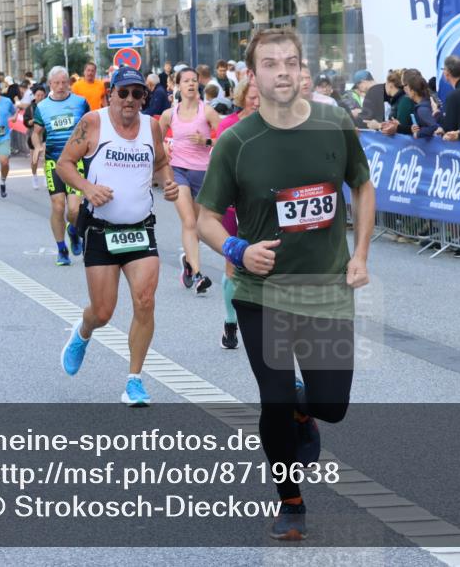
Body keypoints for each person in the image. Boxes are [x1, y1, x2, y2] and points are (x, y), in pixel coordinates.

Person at [195, 27, 374, 541]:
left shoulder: (334, 123)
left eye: (290, 62)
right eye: (270, 64)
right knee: (272, 399)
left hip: (325, 289)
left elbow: (362, 186)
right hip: (262, 291)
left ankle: (303, 406)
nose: (282, 72)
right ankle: (290, 500)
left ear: (302, 69)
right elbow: (205, 218)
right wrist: (237, 250)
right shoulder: (236, 141)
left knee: (331, 406)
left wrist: (360, 254)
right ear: (252, 76)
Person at [57, 67, 179, 406]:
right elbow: (64, 164)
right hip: (101, 231)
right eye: (123, 92)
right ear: (111, 93)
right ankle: (83, 332)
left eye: (137, 94)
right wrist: (87, 188)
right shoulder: (93, 123)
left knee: (145, 301)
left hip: (140, 229)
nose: (129, 100)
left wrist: (168, 183)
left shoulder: (151, 126)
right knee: (103, 312)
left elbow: (161, 162)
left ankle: (134, 380)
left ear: (144, 98)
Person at [158, 67, 221, 295]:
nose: (191, 84)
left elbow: (226, 139)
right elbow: (155, 139)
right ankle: (197, 275)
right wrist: (164, 147)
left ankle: (188, 261)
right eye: (186, 81)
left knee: (200, 226)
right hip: (179, 171)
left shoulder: (208, 112)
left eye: (194, 80)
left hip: (203, 173)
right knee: (189, 222)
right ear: (178, 85)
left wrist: (206, 141)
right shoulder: (169, 114)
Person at [214, 78, 261, 349]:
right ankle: (231, 322)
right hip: (234, 205)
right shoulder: (228, 125)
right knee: (233, 263)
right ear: (242, 98)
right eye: (252, 97)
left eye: (261, 97)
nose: (257, 102)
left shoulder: (272, 126)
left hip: (263, 206)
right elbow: (219, 165)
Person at [32, 66, 90, 266]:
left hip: (76, 161)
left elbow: (92, 127)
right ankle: (61, 249)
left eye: (64, 82)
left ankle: (73, 230)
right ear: (50, 84)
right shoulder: (42, 107)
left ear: (69, 83)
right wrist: (37, 146)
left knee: (74, 209)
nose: (60, 86)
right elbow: (36, 132)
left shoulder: (80, 102)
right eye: (56, 83)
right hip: (53, 162)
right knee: (58, 206)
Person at [24, 83, 46, 189]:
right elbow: (25, 121)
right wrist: (31, 121)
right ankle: (34, 176)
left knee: (46, 158)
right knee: (35, 160)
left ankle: (46, 177)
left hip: (46, 135)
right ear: (34, 96)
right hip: (34, 135)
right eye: (38, 95)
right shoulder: (30, 108)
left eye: (42, 95)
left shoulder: (48, 106)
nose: (40, 97)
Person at [406, 74, 440, 139]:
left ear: (413, 92)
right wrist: (416, 128)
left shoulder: (422, 109)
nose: (406, 92)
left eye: (408, 89)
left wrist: (418, 134)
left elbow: (434, 127)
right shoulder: (427, 103)